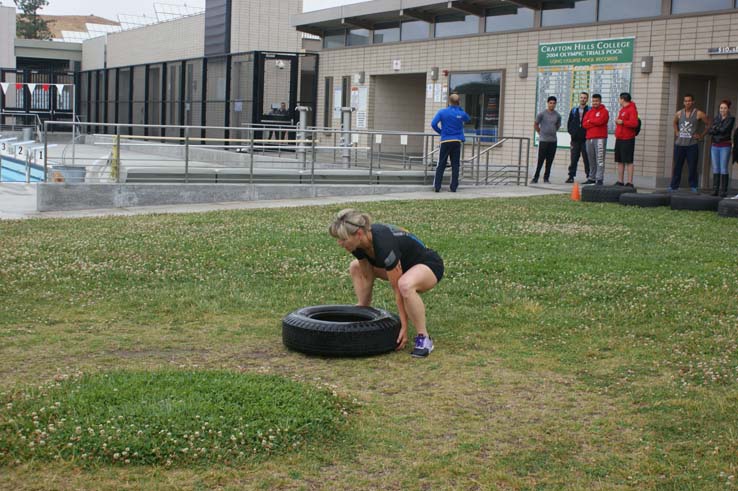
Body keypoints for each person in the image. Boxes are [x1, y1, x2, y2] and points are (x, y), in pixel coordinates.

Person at [329, 209, 444, 358]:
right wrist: (363, 311)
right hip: (403, 267)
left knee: (405, 285)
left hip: (428, 265)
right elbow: (367, 276)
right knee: (355, 267)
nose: (340, 243)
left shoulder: (383, 243)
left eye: (343, 239)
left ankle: (424, 338)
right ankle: (363, 309)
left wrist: (402, 326)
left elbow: (397, 289)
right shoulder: (357, 245)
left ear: (358, 234)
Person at [669, 94, 710, 193]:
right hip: (679, 145)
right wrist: (676, 131)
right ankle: (674, 186)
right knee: (677, 166)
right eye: (686, 101)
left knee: (692, 167)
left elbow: (708, 124)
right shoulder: (679, 113)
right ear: (683, 102)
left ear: (693, 102)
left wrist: (701, 135)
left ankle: (693, 186)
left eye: (689, 101)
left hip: (692, 145)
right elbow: (674, 123)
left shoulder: (698, 113)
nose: (687, 102)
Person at [431, 93, 471, 192]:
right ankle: (453, 187)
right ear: (458, 102)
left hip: (445, 140)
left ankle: (437, 186)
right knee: (455, 165)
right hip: (457, 141)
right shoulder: (461, 113)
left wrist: (441, 132)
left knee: (441, 164)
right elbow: (468, 118)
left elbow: (433, 124)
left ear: (449, 101)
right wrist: (460, 109)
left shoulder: (442, 112)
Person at [707, 100, 734, 197]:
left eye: (725, 108)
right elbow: (710, 131)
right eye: (721, 108)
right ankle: (715, 189)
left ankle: (723, 191)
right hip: (714, 146)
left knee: (723, 168)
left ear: (728, 109)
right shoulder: (716, 118)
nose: (722, 110)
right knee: (715, 168)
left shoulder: (731, 119)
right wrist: (716, 129)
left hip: (725, 146)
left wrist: (715, 129)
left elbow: (724, 130)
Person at [532, 96, 562, 184]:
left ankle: (546, 178)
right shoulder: (542, 114)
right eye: (550, 103)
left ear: (555, 104)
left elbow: (557, 125)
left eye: (554, 103)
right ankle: (535, 177)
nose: (552, 105)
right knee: (540, 160)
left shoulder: (557, 115)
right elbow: (536, 124)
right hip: (543, 140)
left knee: (549, 160)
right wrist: (540, 132)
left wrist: (552, 131)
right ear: (548, 103)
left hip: (553, 141)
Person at [582, 94, 609, 185]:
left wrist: (591, 121)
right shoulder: (589, 112)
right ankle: (592, 177)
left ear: (600, 101)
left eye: (596, 101)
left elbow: (600, 121)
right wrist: (593, 121)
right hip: (589, 138)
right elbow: (584, 124)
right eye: (593, 101)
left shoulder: (604, 111)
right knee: (591, 159)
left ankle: (599, 178)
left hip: (600, 138)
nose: (595, 103)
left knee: (599, 159)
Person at [614, 92, 639, 187]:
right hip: (620, 137)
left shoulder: (632, 109)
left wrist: (623, 122)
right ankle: (620, 181)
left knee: (628, 160)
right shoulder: (622, 110)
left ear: (623, 99)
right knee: (620, 160)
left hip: (628, 138)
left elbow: (634, 123)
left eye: (620, 99)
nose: (619, 100)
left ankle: (630, 182)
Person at [566, 92, 590, 183]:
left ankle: (589, 176)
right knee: (574, 158)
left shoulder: (590, 110)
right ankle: (571, 176)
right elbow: (569, 123)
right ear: (579, 99)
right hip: (575, 139)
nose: (583, 99)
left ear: (587, 99)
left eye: (584, 98)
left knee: (586, 159)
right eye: (581, 97)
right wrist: (572, 132)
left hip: (585, 139)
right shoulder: (574, 110)